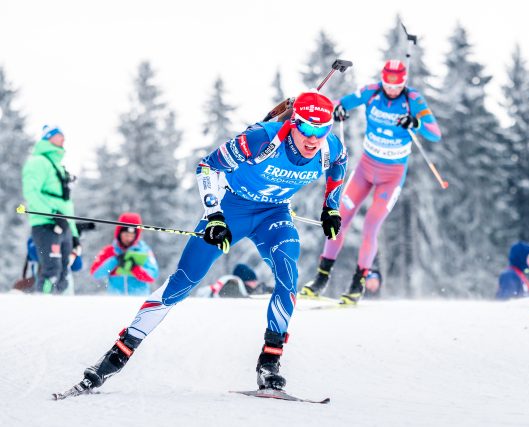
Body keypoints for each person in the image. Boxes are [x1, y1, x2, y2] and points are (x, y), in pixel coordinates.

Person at [73, 90, 346, 394]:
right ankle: (116, 356)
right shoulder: (261, 138)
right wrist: (214, 215)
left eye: (321, 131)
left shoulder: (329, 148)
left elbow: (339, 166)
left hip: (274, 215)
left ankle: (270, 361)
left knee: (287, 272)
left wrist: (330, 206)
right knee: (183, 282)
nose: (313, 138)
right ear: (294, 122)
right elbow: (207, 166)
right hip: (231, 209)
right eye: (307, 128)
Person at [301, 60, 442, 304]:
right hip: (365, 169)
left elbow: (434, 132)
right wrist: (338, 110)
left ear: (404, 83)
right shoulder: (371, 92)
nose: (393, 90)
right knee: (339, 219)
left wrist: (415, 123)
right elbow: (337, 104)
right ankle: (320, 279)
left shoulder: (413, 100)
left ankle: (357, 284)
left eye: (398, 86)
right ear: (383, 80)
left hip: (392, 175)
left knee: (371, 225)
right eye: (388, 84)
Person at [21, 125, 81, 294]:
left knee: (64, 272)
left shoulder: (59, 166)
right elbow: (31, 192)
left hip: (64, 225)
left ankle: (58, 314)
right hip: (46, 224)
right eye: (59, 135)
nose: (63, 138)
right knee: (51, 270)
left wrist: (75, 235)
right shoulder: (37, 162)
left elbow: (66, 205)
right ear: (48, 138)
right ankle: (42, 307)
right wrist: (53, 214)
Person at [90, 213, 159, 296]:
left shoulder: (144, 251)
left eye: (132, 235)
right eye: (126, 235)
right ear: (119, 233)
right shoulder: (109, 251)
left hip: (138, 301)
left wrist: (135, 268)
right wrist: (115, 261)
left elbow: (153, 275)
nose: (129, 238)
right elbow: (95, 274)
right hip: (116, 302)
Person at [194, 263, 273, 298]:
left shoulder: (256, 288)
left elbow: (265, 288)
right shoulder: (233, 286)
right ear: (243, 282)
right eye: (252, 281)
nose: (255, 283)